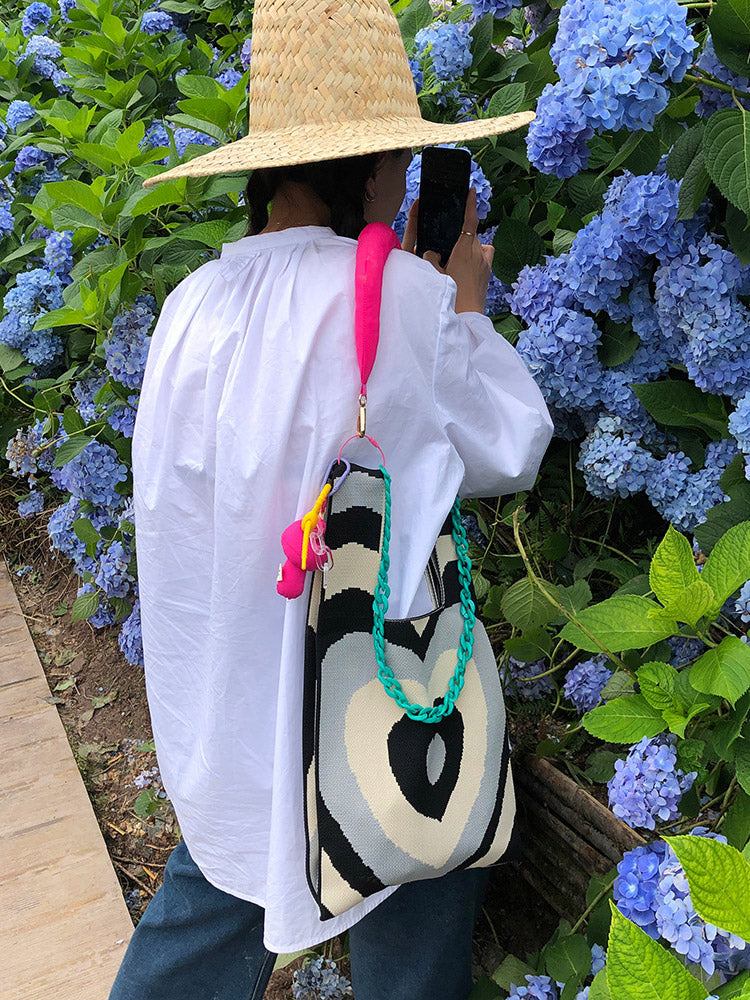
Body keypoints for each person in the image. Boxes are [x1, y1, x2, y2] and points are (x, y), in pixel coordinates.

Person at [109, 1, 554, 998]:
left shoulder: (192, 304)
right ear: (371, 166)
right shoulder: (395, 295)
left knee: (216, 889)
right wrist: (468, 310)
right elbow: (506, 444)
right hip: (372, 695)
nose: (403, 184)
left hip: (229, 697)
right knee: (418, 859)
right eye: (398, 161)